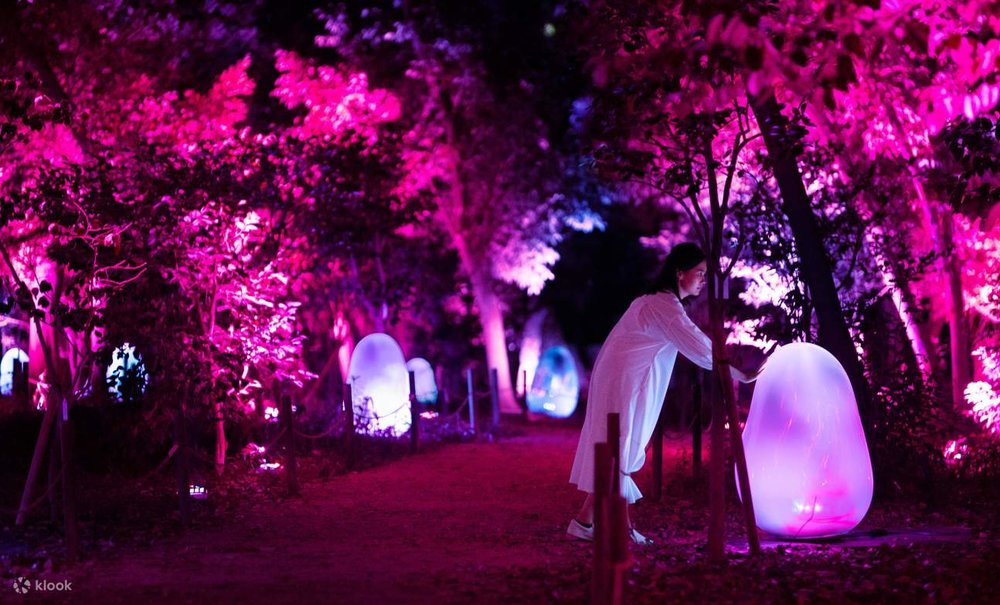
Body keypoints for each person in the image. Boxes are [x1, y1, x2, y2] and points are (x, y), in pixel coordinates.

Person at [566, 242, 759, 545]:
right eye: (699, 273)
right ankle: (618, 528)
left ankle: (586, 522)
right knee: (620, 445)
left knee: (618, 446)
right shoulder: (664, 307)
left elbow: (693, 341)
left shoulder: (657, 303)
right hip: (623, 381)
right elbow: (697, 345)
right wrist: (737, 373)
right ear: (680, 274)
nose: (703, 280)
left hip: (621, 378)